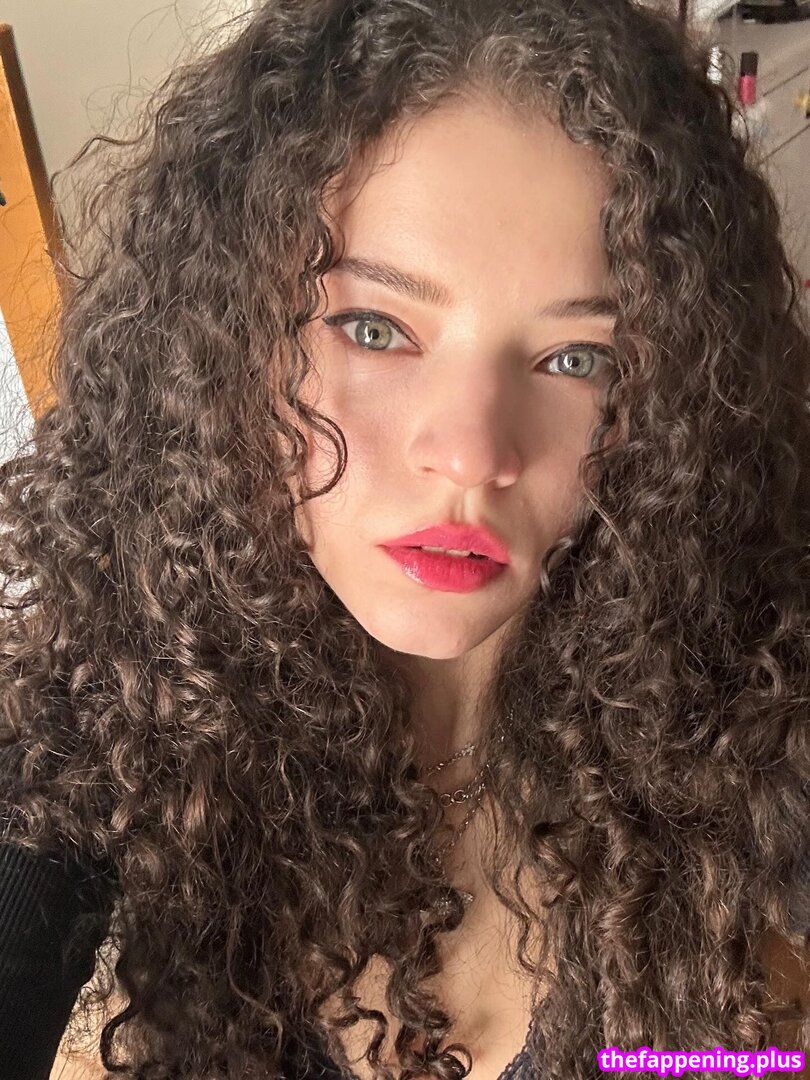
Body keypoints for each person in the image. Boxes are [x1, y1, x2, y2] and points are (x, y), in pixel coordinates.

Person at [0, 0, 808, 1078]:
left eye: (579, 359)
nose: (472, 456)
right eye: (374, 328)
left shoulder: (753, 716)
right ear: (222, 342)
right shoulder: (101, 724)